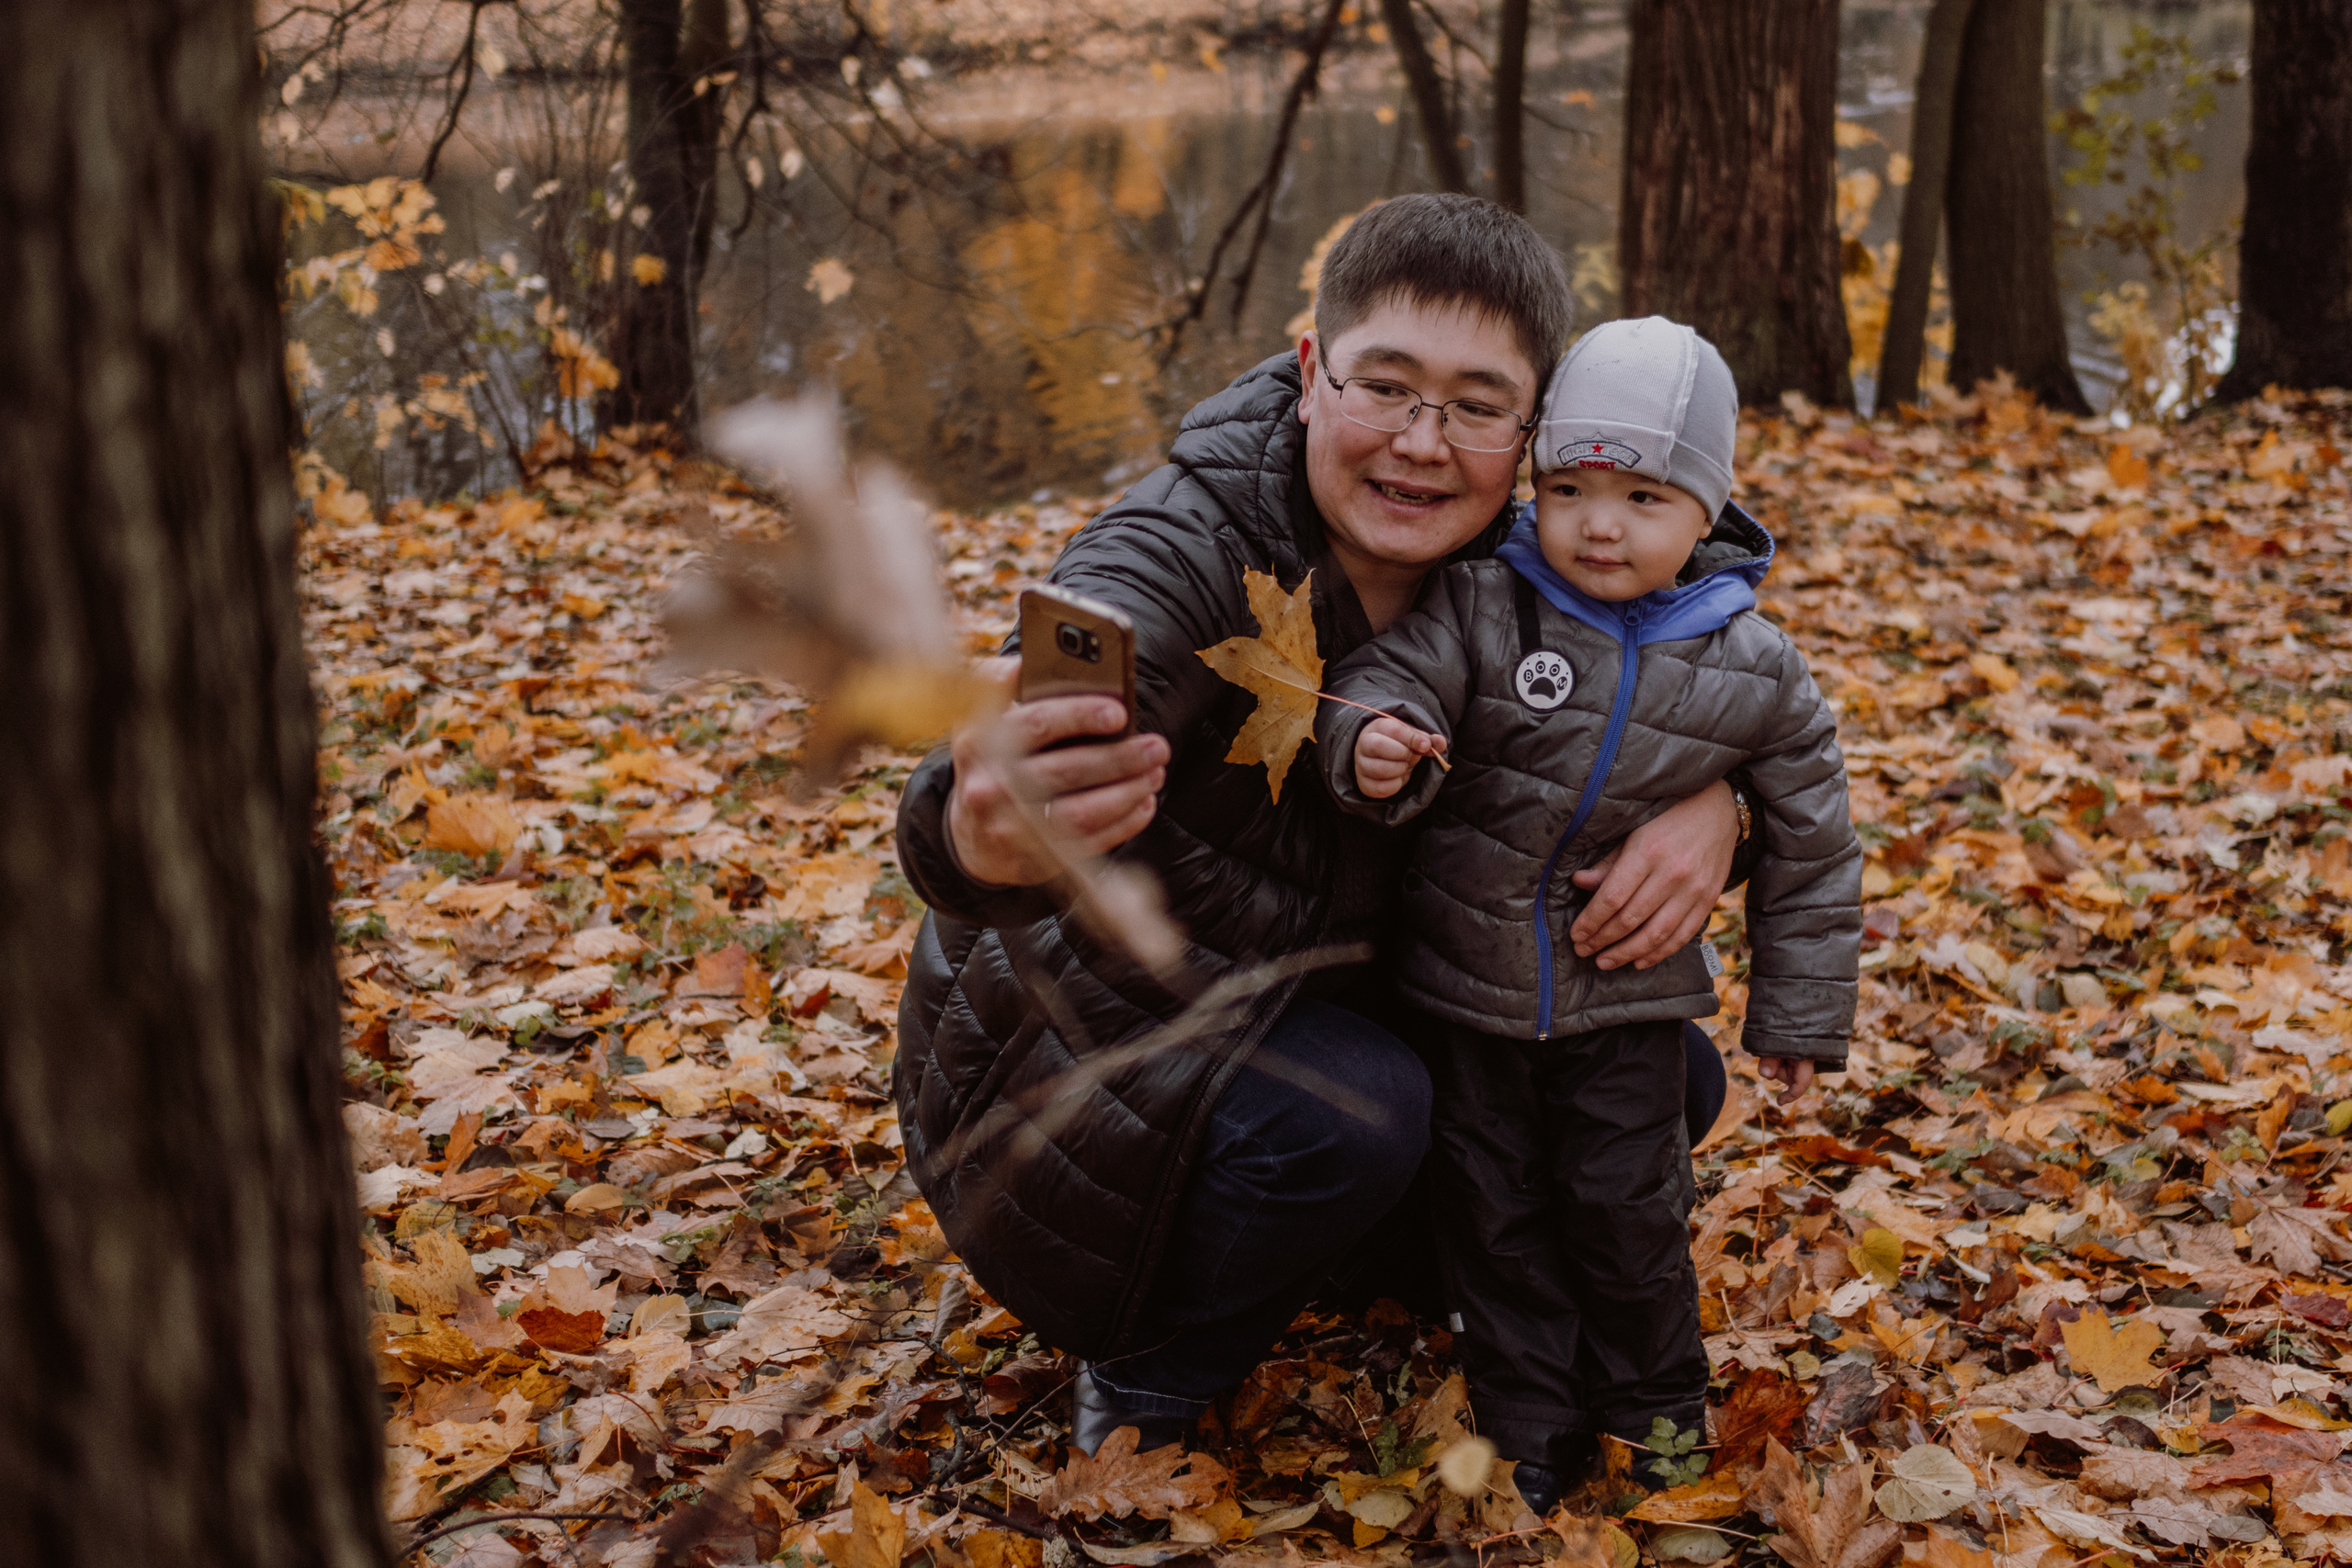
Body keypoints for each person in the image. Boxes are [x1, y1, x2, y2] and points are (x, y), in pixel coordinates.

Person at [891, 196, 1760, 1458]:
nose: (1420, 442)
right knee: (1358, 1108)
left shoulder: (1533, 580)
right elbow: (1065, 661)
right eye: (1386, 387)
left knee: (1659, 1072)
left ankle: (1400, 1271)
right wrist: (975, 822)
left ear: (1529, 434)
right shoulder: (1188, 546)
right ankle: (1146, 1369)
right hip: (1069, 1096)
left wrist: (1718, 808)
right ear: (1311, 374)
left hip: (1323, 1018)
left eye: (1474, 407)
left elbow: (1729, 706)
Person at [1316, 317, 1862, 1508]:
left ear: (1707, 507)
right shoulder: (1485, 604)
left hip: (1629, 1009)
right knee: (1498, 1225)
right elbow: (1388, 677)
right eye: (1569, 488)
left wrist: (1798, 1018)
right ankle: (1531, 1432)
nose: (1599, 524)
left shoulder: (1756, 668)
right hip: (1468, 999)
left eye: (1644, 497)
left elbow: (1815, 845)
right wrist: (1365, 735)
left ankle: (1659, 1415)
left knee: (1630, 1219)